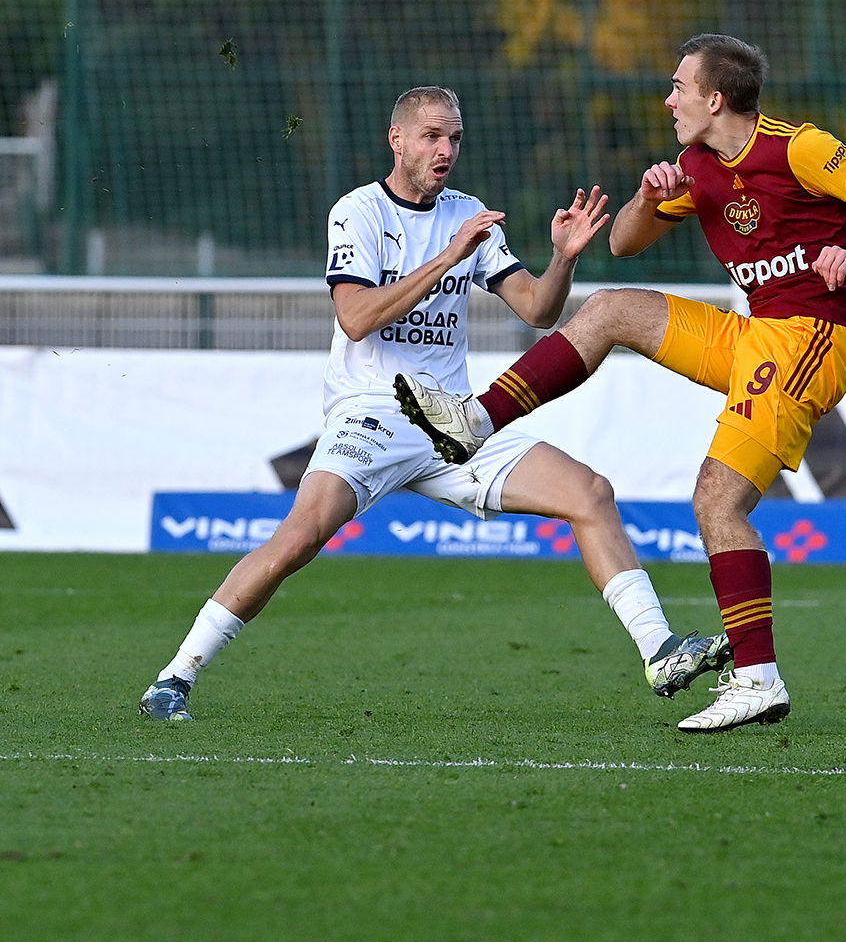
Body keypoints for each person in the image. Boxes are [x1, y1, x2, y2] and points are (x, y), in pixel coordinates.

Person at [140, 84, 730, 722]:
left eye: (454, 138)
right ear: (396, 140)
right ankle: (175, 678)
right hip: (373, 412)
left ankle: (659, 650)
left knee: (590, 493)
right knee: (299, 538)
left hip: (454, 422)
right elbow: (356, 318)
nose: (445, 149)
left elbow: (538, 310)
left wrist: (562, 259)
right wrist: (451, 255)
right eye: (432, 136)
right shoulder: (359, 211)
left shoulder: (466, 211)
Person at [395, 38, 846, 733]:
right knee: (611, 308)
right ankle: (475, 422)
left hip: (810, 339)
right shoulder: (695, 165)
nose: (668, 100)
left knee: (717, 501)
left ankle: (757, 679)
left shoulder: (798, 147)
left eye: (678, 87)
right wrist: (648, 196)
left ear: (714, 99)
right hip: (757, 333)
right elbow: (624, 244)